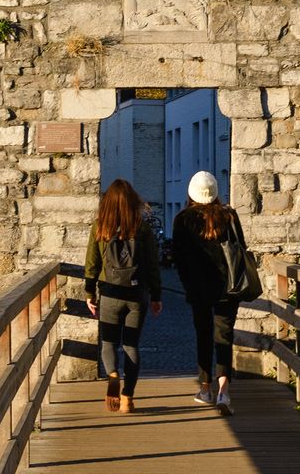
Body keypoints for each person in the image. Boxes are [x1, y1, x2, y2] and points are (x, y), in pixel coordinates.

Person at [170, 170, 249, 415]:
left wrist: (187, 284)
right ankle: (224, 391)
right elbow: (241, 248)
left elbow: (178, 257)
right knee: (224, 337)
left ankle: (205, 389)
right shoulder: (229, 215)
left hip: (198, 287)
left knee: (204, 335)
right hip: (228, 287)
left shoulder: (183, 219)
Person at [84, 179, 161, 413]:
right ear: (132, 201)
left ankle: (113, 374)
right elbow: (152, 265)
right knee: (132, 345)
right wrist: (156, 295)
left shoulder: (100, 227)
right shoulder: (142, 227)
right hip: (137, 294)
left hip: (109, 292)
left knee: (108, 342)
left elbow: (92, 263)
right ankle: (127, 398)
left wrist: (90, 293)